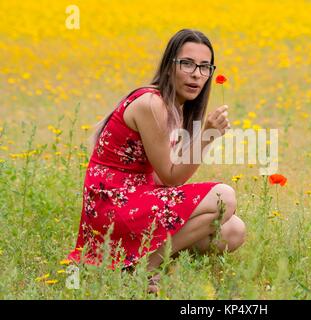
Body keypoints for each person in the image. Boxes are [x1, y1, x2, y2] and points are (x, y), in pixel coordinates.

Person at [66, 29, 246, 294]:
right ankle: (140, 269)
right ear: (169, 65)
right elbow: (172, 177)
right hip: (113, 205)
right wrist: (207, 136)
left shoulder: (176, 106)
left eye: (205, 67)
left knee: (233, 231)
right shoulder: (152, 104)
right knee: (223, 198)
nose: (196, 74)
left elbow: (162, 178)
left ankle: (141, 261)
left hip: (138, 196)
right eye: (187, 63)